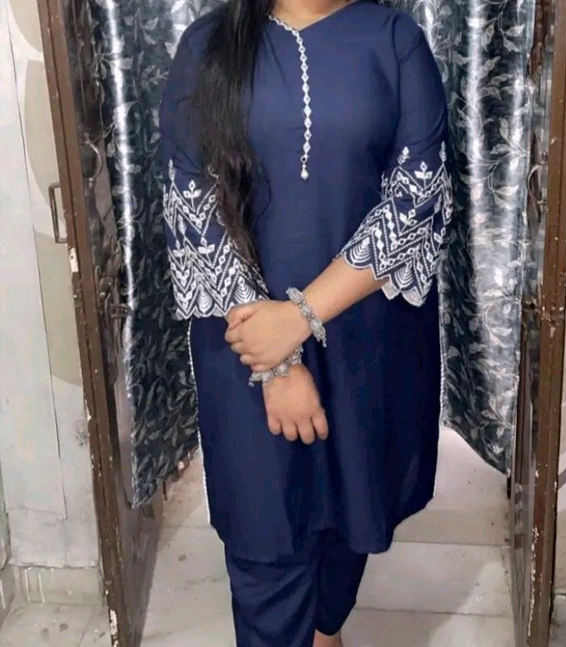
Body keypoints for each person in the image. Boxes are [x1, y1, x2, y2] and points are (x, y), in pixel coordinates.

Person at [159, 1, 452, 645]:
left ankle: (326, 626)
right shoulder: (208, 45)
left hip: (363, 335)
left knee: (355, 513)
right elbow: (192, 206)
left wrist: (301, 317)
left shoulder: (395, 41)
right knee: (266, 539)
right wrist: (276, 361)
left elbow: (417, 196)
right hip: (244, 346)